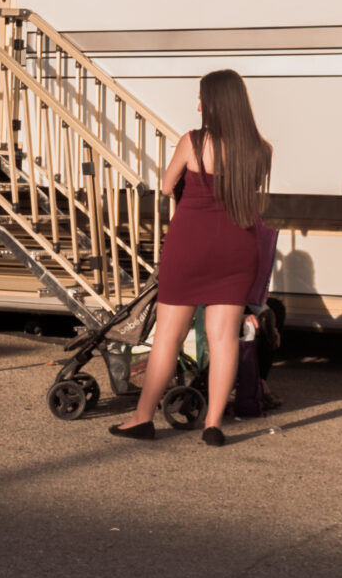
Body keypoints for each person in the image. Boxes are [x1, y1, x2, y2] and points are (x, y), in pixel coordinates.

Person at [113, 69, 273, 447]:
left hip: (191, 247)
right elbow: (243, 193)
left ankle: (142, 418)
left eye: (202, 98)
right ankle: (213, 424)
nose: (198, 105)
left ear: (214, 103)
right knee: (224, 341)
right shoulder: (261, 150)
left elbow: (168, 186)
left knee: (168, 337)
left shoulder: (194, 141)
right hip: (237, 249)